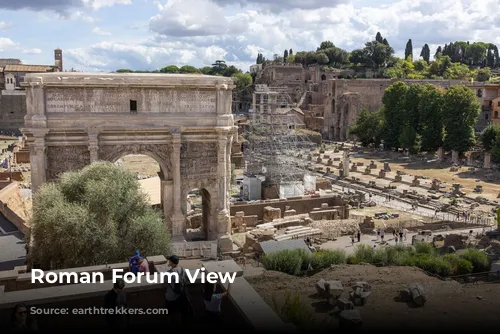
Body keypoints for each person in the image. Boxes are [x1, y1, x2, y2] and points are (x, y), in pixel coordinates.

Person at [164, 255, 190, 325]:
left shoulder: (168, 273)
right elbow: (188, 279)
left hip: (171, 297)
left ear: (171, 262)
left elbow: (165, 283)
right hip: (181, 296)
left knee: (169, 314)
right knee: (180, 313)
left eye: (169, 261)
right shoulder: (182, 270)